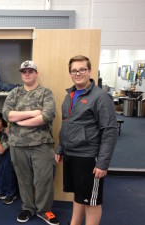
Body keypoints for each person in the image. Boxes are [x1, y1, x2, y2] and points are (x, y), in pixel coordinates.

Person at [55, 55, 118, 225]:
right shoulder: (70, 95)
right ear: (70, 73)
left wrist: (102, 163)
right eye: (74, 70)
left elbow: (110, 131)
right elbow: (66, 124)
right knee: (78, 193)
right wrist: (60, 149)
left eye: (82, 69)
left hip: (89, 157)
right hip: (71, 154)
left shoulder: (100, 97)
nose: (78, 73)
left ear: (89, 71)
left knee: (91, 200)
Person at [2, 60, 59, 225]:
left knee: (44, 179)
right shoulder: (14, 93)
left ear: (36, 73)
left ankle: (44, 210)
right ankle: (28, 208)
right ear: (21, 74)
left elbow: (47, 116)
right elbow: (7, 115)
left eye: (30, 71)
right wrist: (34, 113)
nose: (27, 74)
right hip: (18, 145)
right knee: (23, 179)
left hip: (42, 144)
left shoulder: (45, 93)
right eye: (24, 71)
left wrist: (20, 121)